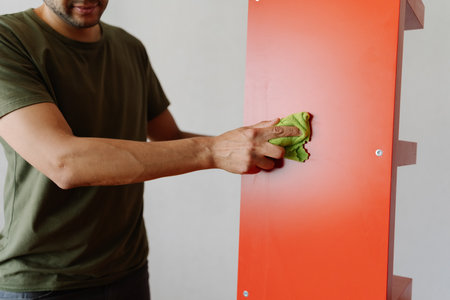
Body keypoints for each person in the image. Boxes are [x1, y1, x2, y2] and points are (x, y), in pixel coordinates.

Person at [0, 0, 299, 299]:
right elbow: (63, 162)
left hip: (128, 270)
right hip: (41, 281)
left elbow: (169, 137)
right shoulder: (9, 38)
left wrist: (259, 143)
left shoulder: (129, 47)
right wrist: (214, 150)